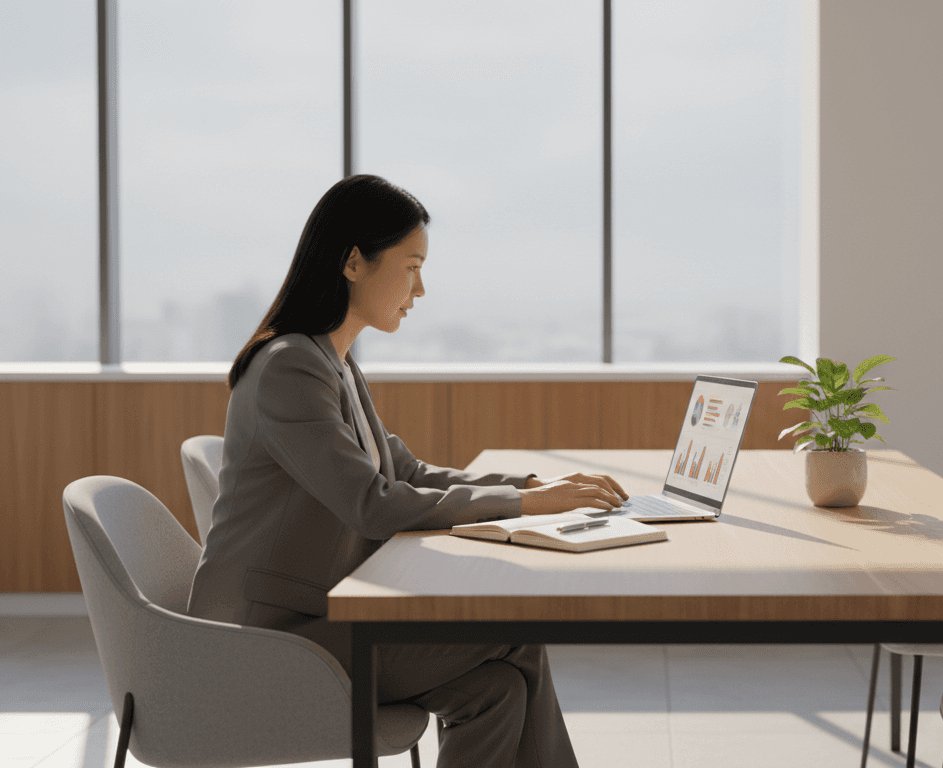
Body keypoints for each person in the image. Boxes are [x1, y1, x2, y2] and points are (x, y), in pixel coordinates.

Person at [187, 174, 627, 767]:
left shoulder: (331, 362)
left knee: (493, 690)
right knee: (515, 632)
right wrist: (524, 508)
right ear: (352, 261)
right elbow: (373, 503)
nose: (419, 289)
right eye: (412, 266)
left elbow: (408, 471)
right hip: (274, 643)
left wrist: (529, 487)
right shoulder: (290, 367)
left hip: (320, 619)